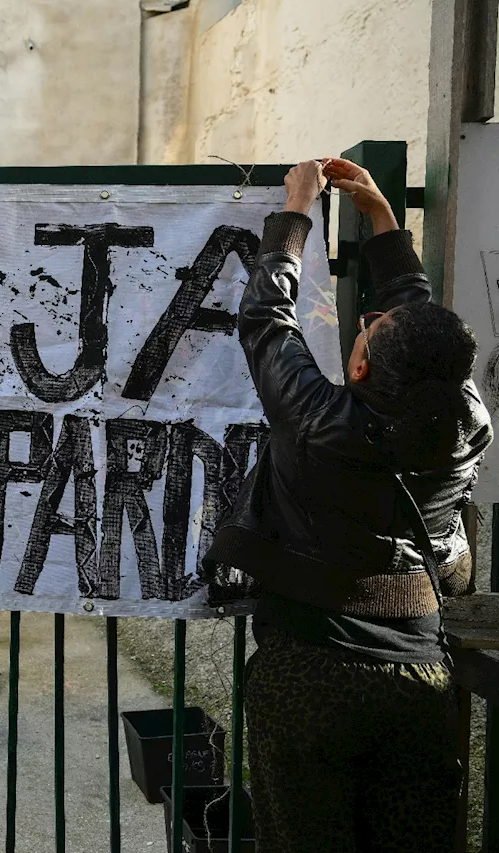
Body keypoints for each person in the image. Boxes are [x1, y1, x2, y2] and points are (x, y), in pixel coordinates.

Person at [204, 158, 493, 851]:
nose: (365, 322)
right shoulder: (468, 422)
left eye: (368, 327)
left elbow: (267, 321)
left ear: (359, 364)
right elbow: (422, 339)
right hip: (420, 677)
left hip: (311, 675)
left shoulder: (321, 422)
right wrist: (386, 225)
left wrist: (295, 216)